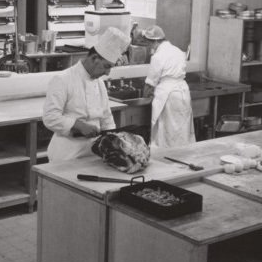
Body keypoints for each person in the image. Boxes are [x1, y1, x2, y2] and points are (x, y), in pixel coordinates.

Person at [42, 27, 130, 162]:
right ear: (94, 58)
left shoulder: (99, 83)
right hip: (67, 155)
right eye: (106, 66)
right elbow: (50, 117)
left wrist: (114, 142)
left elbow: (106, 117)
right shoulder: (63, 79)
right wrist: (78, 125)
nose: (107, 73)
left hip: (94, 154)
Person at [141, 25, 195, 149]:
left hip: (168, 95)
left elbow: (150, 83)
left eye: (149, 43)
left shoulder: (158, 56)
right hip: (183, 92)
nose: (149, 47)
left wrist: (145, 97)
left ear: (155, 41)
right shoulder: (178, 51)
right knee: (182, 130)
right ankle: (181, 156)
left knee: (167, 131)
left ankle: (166, 159)